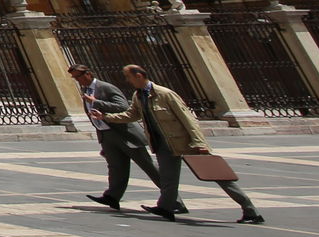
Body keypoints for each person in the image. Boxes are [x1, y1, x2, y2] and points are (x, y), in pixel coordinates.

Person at [102, 64, 264, 224]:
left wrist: (199, 143)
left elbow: (188, 119)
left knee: (218, 176)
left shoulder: (165, 94)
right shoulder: (138, 96)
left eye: (128, 77)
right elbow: (132, 115)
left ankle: (250, 211)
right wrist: (106, 117)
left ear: (139, 76)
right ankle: (166, 207)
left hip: (186, 142)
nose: (127, 80)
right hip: (163, 144)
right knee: (168, 179)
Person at [68, 63, 164, 212]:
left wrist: (96, 102)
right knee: (116, 168)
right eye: (74, 78)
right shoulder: (86, 90)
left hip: (124, 134)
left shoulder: (105, 87)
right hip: (107, 134)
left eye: (78, 77)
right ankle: (112, 197)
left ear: (88, 74)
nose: (77, 80)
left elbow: (123, 107)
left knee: (148, 166)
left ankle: (172, 199)